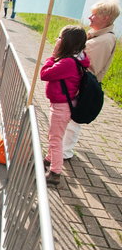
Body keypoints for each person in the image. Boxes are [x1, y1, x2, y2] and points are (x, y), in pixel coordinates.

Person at [63, 0, 120, 159]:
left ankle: (65, 151)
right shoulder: (99, 36)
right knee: (71, 119)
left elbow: (87, 65)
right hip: (82, 83)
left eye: (94, 15)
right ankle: (64, 148)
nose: (90, 17)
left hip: (83, 85)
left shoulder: (103, 40)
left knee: (73, 121)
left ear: (105, 18)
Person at [40, 25, 90, 185]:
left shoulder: (67, 62)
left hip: (61, 106)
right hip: (64, 104)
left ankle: (55, 172)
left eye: (60, 38)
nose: (57, 40)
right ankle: (49, 159)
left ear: (67, 43)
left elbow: (44, 74)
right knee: (54, 135)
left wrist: (52, 56)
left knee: (55, 138)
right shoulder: (77, 58)